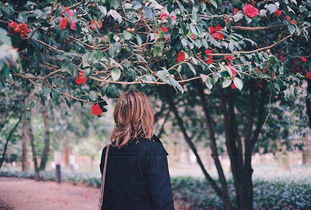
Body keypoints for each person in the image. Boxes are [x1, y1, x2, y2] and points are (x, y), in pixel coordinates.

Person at [99, 90, 175, 210]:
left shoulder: (108, 152)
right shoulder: (153, 151)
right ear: (147, 115)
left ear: (119, 114)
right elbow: (163, 203)